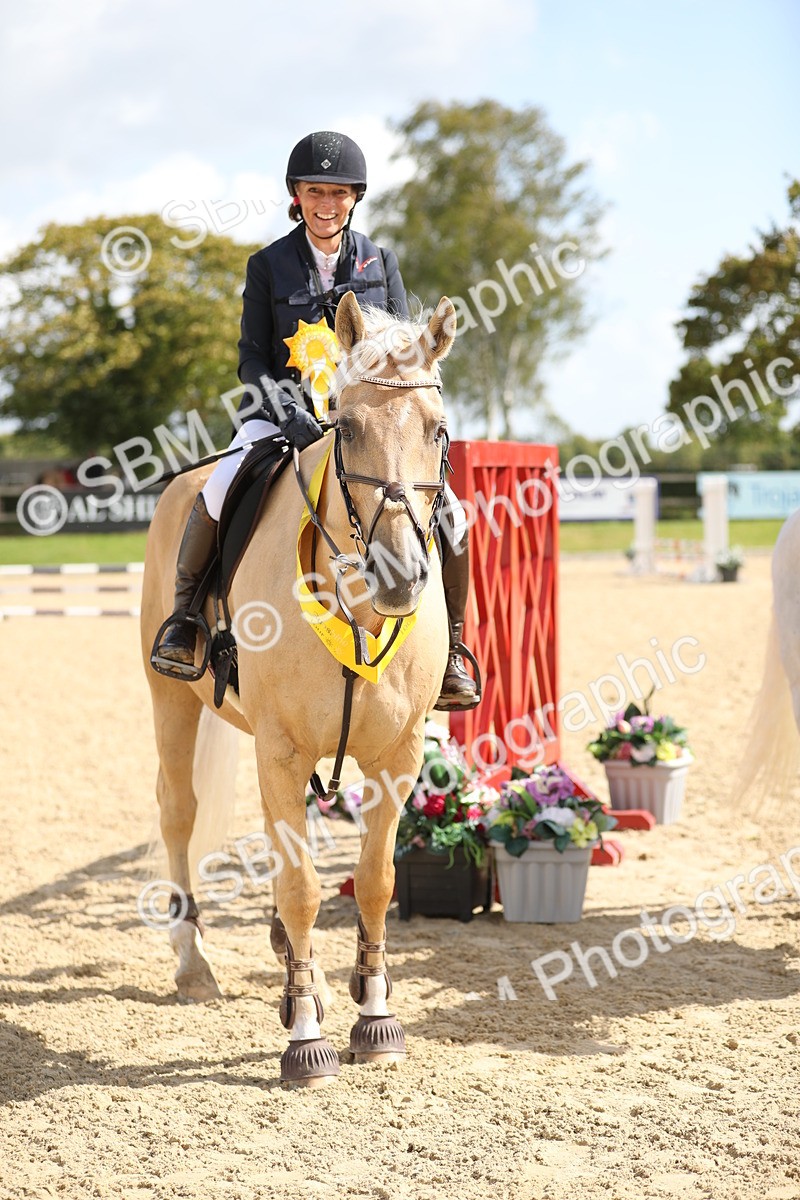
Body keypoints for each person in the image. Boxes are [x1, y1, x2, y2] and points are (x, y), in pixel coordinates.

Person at [153, 130, 477, 710]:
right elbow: (251, 358)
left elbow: (403, 347)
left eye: (337, 192)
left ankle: (452, 650)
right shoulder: (268, 265)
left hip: (366, 421)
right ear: (296, 197)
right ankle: (185, 620)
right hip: (279, 419)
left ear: (354, 197)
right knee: (221, 487)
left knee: (449, 510)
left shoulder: (382, 260)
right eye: (314, 191)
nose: (326, 203)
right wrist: (289, 412)